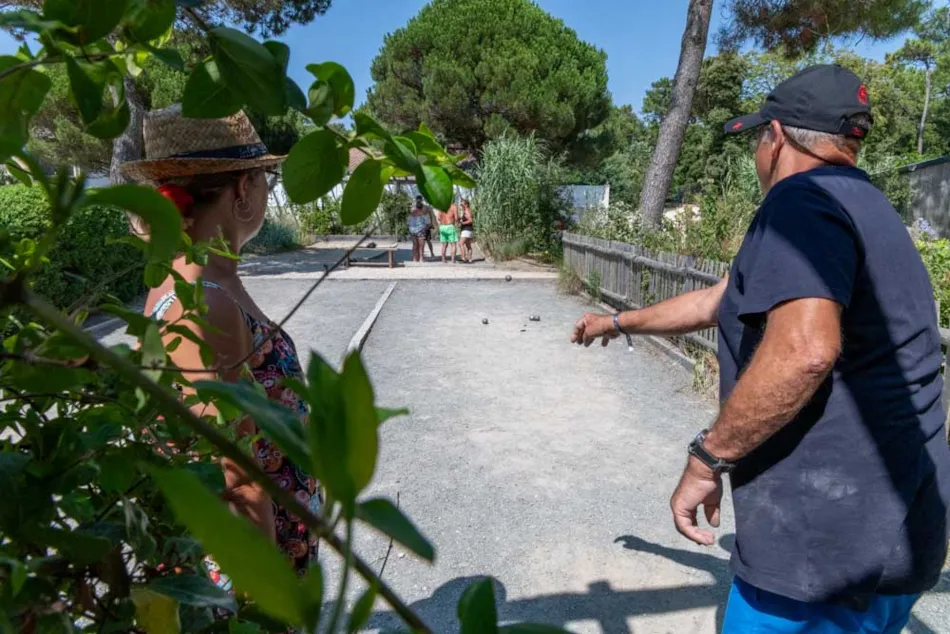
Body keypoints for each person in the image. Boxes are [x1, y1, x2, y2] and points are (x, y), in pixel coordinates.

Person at [571, 65, 950, 633]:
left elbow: (805, 351)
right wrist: (618, 321)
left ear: (775, 137)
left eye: (757, 140)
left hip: (824, 547)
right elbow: (718, 299)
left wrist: (707, 458)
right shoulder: (867, 207)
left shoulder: (800, 204)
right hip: (900, 528)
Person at [123, 105, 319, 587]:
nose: (268, 189)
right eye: (265, 177)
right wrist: (263, 597)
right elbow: (235, 475)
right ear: (243, 189)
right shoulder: (203, 300)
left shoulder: (209, 279)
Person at [408, 196, 430, 262]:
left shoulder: (412, 212)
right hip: (421, 230)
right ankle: (421, 258)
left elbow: (409, 222)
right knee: (421, 246)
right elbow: (427, 223)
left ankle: (415, 258)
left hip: (413, 231)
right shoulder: (424, 212)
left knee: (415, 245)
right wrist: (426, 228)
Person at [459, 199, 475, 263]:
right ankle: (470, 259)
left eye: (462, 204)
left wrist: (463, 223)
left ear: (466, 205)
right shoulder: (466, 210)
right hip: (468, 230)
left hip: (466, 230)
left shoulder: (467, 211)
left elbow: (471, 220)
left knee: (461, 244)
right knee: (468, 246)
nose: (461, 205)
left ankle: (464, 258)